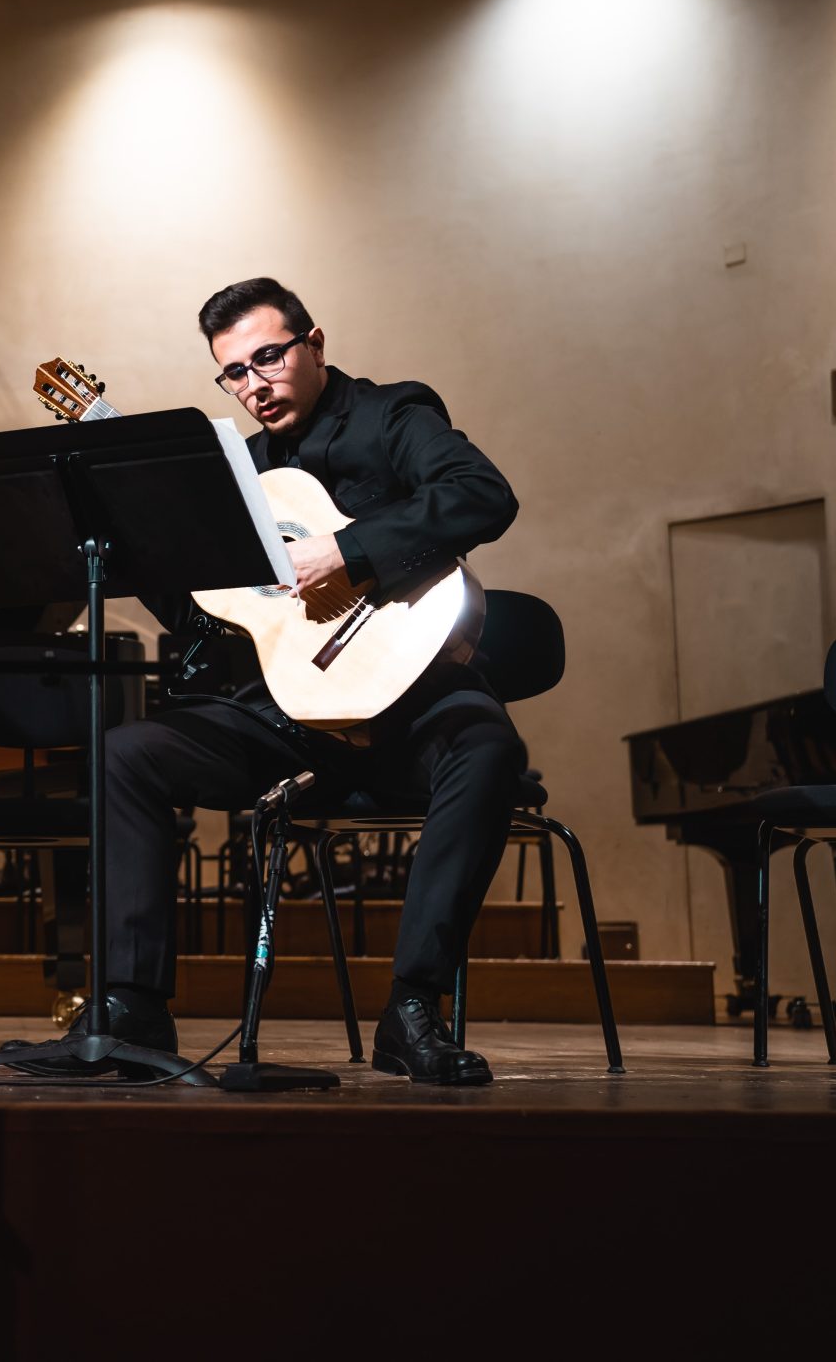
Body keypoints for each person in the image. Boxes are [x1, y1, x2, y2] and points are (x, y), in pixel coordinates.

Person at [28, 276, 525, 1085]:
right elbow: (204, 622)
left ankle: (412, 1007)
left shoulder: (393, 414)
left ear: (315, 343)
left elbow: (482, 495)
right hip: (289, 715)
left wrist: (347, 550)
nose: (254, 383)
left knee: (488, 744)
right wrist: (145, 537)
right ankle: (134, 1008)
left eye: (269, 357)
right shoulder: (241, 474)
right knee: (127, 753)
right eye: (234, 372)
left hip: (415, 703)